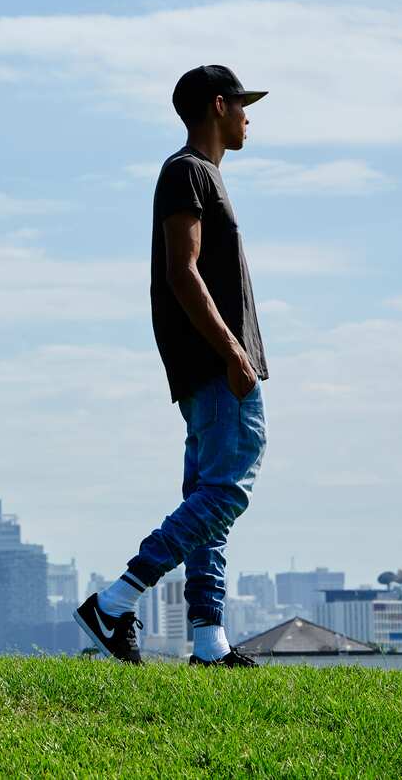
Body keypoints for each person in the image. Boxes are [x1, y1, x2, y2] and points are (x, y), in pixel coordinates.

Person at [74, 65, 269, 668]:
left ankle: (209, 642)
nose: (247, 117)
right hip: (217, 363)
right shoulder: (187, 172)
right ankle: (115, 600)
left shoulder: (202, 175)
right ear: (218, 106)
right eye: (242, 106)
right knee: (227, 491)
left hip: (215, 362)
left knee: (208, 493)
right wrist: (235, 354)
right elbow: (181, 272)